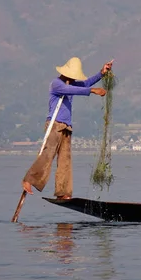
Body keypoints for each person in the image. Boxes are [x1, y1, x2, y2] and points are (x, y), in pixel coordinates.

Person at [21, 57, 113, 200]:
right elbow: (70, 89)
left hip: (66, 126)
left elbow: (84, 83)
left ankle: (63, 192)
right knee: (48, 154)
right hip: (55, 124)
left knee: (65, 160)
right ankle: (29, 180)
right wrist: (93, 90)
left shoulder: (72, 83)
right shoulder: (56, 84)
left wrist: (101, 73)